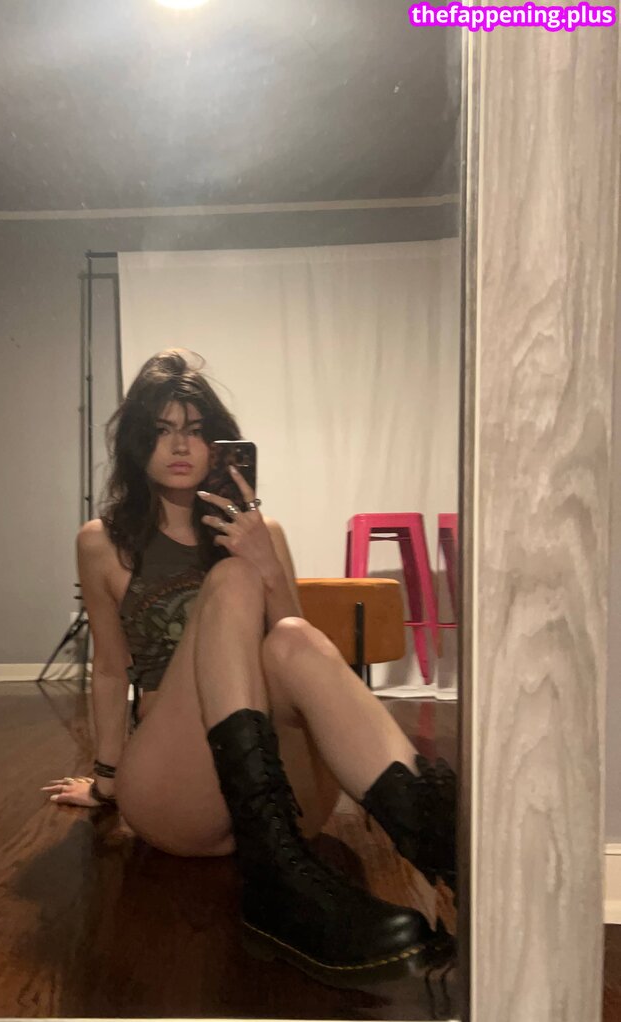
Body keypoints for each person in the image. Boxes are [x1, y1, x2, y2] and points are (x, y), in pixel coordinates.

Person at [42, 348, 455, 987]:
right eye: (161, 430)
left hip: (285, 804)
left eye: (196, 429)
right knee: (232, 581)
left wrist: (264, 559)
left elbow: (291, 645)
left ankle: (447, 849)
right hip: (175, 789)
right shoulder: (102, 542)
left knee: (285, 633)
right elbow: (111, 669)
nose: (181, 445)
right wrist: (105, 780)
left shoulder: (266, 532)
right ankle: (282, 880)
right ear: (135, 445)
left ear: (221, 443)